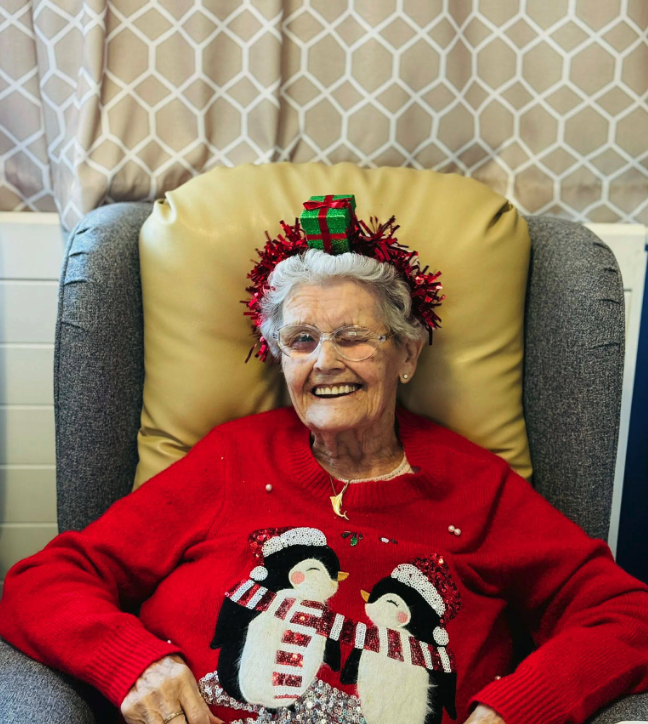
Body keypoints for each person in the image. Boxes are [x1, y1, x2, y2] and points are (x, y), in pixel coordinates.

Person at [1, 195, 647, 724]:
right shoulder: (231, 459)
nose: (325, 362)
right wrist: (136, 664)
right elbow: (44, 581)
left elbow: (627, 614)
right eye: (302, 339)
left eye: (353, 337)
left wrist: (515, 708)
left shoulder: (476, 488)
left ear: (407, 354)